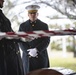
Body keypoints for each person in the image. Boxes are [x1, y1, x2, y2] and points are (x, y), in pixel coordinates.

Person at [19, 4, 50, 73]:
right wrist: (28, 51)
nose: (32, 15)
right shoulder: (22, 26)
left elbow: (46, 40)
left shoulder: (44, 26)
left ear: (37, 14)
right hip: (27, 57)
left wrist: (37, 50)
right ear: (28, 14)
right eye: (31, 13)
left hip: (40, 56)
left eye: (34, 13)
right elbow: (20, 41)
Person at [0, 0, 24, 75]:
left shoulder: (1, 14)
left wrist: (22, 38)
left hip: (10, 56)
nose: (3, 0)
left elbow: (10, 33)